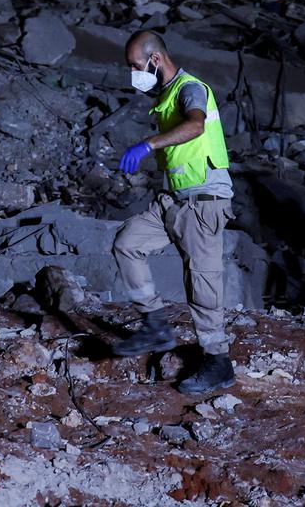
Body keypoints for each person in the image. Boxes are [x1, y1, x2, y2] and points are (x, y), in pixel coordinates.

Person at [108, 29, 237, 395]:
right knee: (128, 242)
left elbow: (196, 125)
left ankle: (218, 361)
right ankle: (155, 325)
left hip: (203, 201)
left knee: (202, 281)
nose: (133, 73)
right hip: (174, 200)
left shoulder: (189, 89)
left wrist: (147, 145)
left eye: (136, 65)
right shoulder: (165, 98)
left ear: (156, 59)